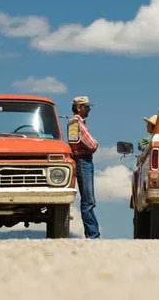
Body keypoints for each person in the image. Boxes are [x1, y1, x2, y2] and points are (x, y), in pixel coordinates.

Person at [66, 95, 100, 239]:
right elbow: (92, 144)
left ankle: (92, 233)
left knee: (87, 199)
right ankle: (93, 234)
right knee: (88, 200)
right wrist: (95, 144)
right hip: (83, 161)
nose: (89, 110)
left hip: (81, 161)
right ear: (79, 108)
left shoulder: (73, 123)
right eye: (86, 107)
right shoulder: (77, 123)